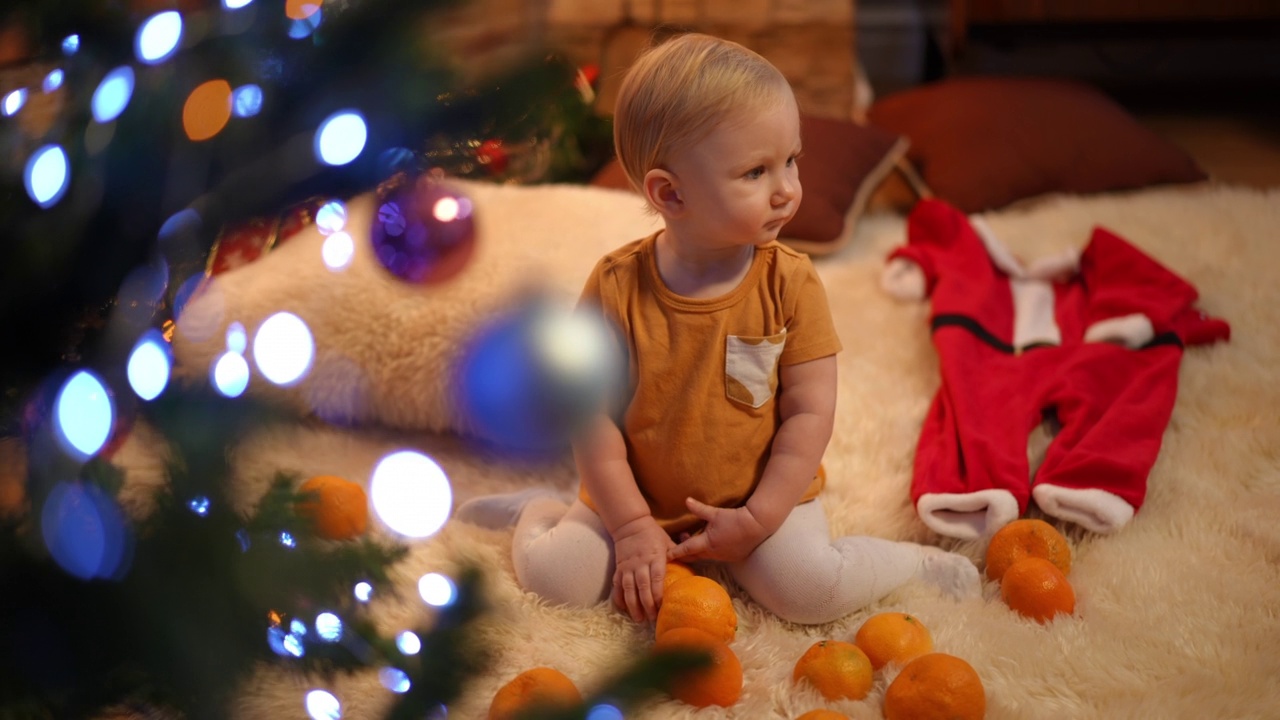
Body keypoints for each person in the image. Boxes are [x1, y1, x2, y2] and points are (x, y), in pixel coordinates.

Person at [455, 32, 978, 625]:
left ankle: (913, 565)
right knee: (559, 580)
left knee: (807, 591)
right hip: (637, 497)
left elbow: (811, 414)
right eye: (756, 171)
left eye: (792, 160)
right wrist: (629, 527)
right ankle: (536, 512)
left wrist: (759, 519)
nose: (787, 189)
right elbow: (590, 418)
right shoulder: (616, 287)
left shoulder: (791, 284)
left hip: (760, 494)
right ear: (670, 193)